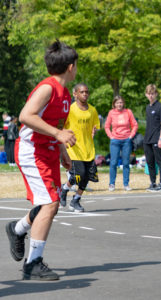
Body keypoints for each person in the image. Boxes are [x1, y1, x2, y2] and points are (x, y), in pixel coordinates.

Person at [5, 40, 77, 280]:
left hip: (47, 151)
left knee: (50, 203)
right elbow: (26, 116)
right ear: (70, 67)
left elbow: (55, 125)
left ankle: (17, 229)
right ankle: (33, 263)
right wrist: (58, 135)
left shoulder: (65, 93)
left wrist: (61, 150)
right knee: (50, 204)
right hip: (31, 151)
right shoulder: (48, 88)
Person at [59, 83, 100, 212]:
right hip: (74, 148)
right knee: (79, 174)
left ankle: (75, 199)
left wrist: (94, 131)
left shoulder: (92, 110)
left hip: (88, 149)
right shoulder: (70, 110)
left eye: (86, 92)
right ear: (75, 94)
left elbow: (95, 126)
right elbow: (61, 126)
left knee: (86, 176)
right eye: (82, 92)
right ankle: (65, 189)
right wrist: (65, 139)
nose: (85, 94)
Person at [105, 95, 138, 191]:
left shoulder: (128, 112)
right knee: (113, 163)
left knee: (126, 163)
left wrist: (131, 136)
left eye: (121, 102)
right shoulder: (111, 113)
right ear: (114, 104)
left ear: (123, 103)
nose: (119, 104)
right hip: (115, 140)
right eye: (117, 102)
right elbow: (106, 126)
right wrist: (111, 136)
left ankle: (126, 184)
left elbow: (135, 125)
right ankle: (111, 184)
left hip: (126, 141)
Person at [143, 84, 161, 192]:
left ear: (156, 94)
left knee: (160, 161)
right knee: (150, 162)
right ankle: (153, 183)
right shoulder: (148, 107)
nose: (151, 96)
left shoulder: (160, 107)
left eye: (152, 93)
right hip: (147, 139)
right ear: (146, 95)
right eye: (149, 94)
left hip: (157, 138)